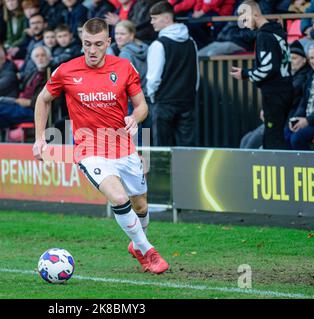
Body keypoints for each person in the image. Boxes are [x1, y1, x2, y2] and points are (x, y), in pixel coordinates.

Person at [32, 18, 169, 274]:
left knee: (140, 206)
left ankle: (137, 244)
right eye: (86, 44)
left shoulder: (125, 67)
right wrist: (40, 138)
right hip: (89, 149)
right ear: (81, 42)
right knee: (118, 197)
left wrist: (134, 118)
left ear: (108, 42)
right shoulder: (66, 70)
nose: (92, 51)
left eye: (97, 44)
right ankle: (148, 252)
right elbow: (43, 99)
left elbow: (142, 106)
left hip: (124, 148)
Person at [230, 0, 293, 150]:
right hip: (285, 90)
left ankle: (277, 172)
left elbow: (268, 68)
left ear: (255, 13)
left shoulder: (264, 36)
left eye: (245, 18)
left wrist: (245, 74)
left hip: (275, 94)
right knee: (276, 135)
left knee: (273, 140)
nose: (244, 23)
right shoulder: (277, 31)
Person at [147, 1, 198, 147]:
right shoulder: (192, 42)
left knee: (162, 150)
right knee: (187, 149)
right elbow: (196, 78)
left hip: (164, 103)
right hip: (187, 102)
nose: (151, 22)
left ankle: (163, 172)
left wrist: (153, 97)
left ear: (167, 19)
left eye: (155, 18)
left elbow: (153, 79)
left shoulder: (158, 45)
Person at [284, 44, 314, 150]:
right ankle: (290, 166)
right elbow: (303, 103)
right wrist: (295, 119)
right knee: (286, 134)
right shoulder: (310, 78)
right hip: (308, 120)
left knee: (296, 138)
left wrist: (307, 120)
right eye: (312, 58)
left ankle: (311, 165)